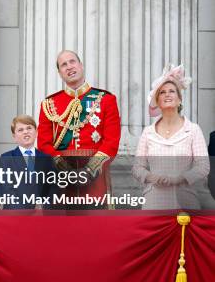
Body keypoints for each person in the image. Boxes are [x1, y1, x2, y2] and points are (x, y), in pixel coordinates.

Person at [37, 50, 121, 200]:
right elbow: (44, 145)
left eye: (72, 61)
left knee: (95, 223)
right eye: (64, 65)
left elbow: (111, 142)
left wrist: (89, 170)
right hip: (61, 181)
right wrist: (66, 171)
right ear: (59, 73)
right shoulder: (49, 104)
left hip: (95, 179)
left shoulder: (106, 100)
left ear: (81, 66)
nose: (69, 67)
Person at [132, 64, 213, 210]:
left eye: (172, 91)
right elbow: (138, 167)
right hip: (153, 202)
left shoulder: (193, 130)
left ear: (179, 99)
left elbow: (203, 166)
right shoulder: (148, 132)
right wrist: (153, 177)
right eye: (162, 92)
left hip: (186, 201)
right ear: (158, 101)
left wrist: (180, 178)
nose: (167, 94)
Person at [0, 115, 58, 209]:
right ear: (14, 136)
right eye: (20, 130)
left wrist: (43, 207)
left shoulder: (47, 158)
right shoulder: (6, 158)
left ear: (36, 132)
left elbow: (53, 188)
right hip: (16, 216)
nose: (25, 132)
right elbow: (7, 191)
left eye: (29, 128)